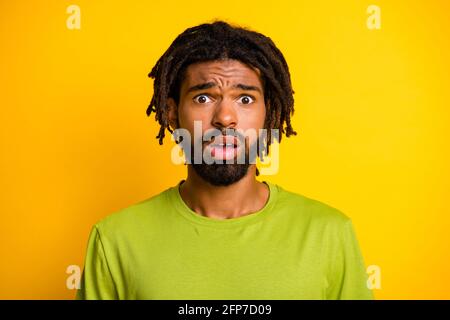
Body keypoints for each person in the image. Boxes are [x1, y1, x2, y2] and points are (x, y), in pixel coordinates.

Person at [76, 20, 373, 300]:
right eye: (204, 97)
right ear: (170, 112)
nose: (225, 118)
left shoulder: (329, 233)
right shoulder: (114, 239)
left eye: (245, 99)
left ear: (267, 114)